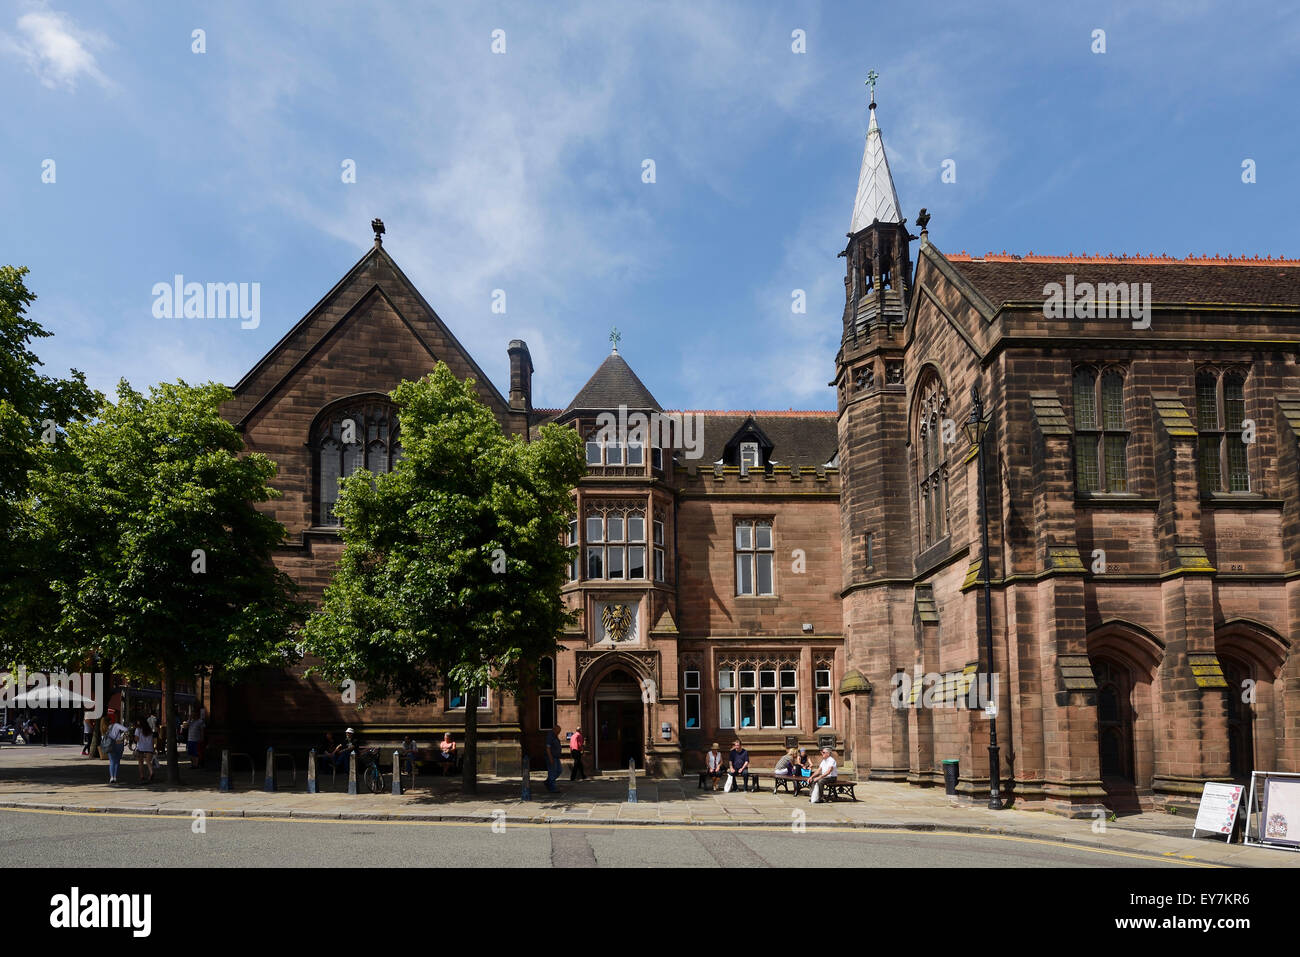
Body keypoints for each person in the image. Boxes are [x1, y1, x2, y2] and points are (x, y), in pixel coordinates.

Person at [103, 709, 129, 785]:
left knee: (111, 762)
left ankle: (111, 777)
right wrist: (122, 736)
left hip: (110, 744)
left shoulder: (105, 727)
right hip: (118, 744)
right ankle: (115, 777)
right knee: (117, 761)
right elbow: (126, 729)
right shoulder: (116, 725)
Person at [133, 718, 155, 784]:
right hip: (149, 748)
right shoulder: (149, 730)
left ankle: (142, 776)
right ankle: (151, 772)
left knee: (140, 762)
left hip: (141, 748)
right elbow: (153, 740)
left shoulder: (138, 729)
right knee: (148, 761)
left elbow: (136, 739)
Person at [544, 724, 562, 792]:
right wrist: (550, 757)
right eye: (558, 731)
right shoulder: (550, 735)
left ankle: (548, 782)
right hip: (552, 757)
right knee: (552, 772)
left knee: (559, 771)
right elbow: (548, 748)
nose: (559, 733)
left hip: (556, 757)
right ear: (554, 729)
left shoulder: (555, 735)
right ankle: (552, 788)